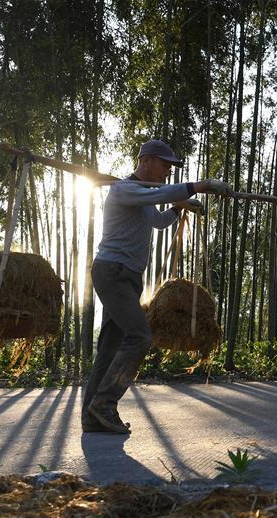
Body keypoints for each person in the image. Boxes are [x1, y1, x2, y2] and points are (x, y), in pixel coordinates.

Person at [82, 139, 231, 433]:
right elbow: (162, 192)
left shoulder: (143, 196)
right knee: (140, 337)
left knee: (110, 347)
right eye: (165, 165)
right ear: (147, 161)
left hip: (128, 277)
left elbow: (158, 221)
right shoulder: (124, 189)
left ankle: (91, 417)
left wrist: (178, 209)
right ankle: (104, 404)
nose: (167, 172)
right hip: (112, 272)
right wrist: (199, 186)